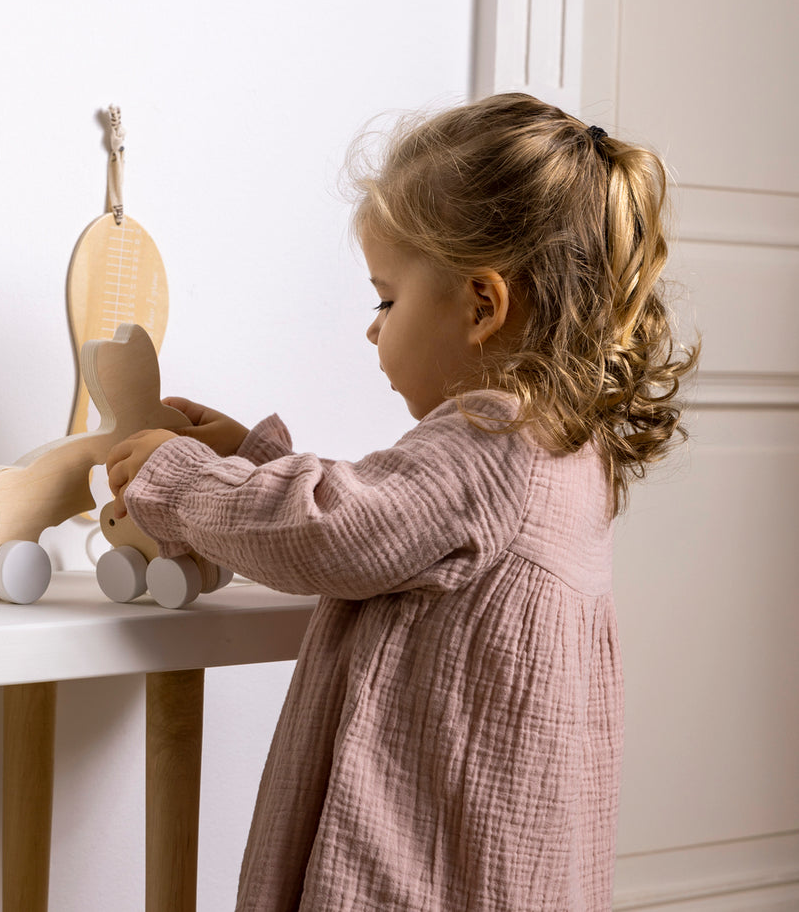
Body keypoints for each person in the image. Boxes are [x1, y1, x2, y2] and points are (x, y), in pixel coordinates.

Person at [105, 92, 698, 911]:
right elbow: (398, 535)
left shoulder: (488, 439)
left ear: (482, 306)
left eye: (385, 299)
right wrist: (251, 456)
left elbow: (334, 532)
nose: (372, 330)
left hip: (416, 870)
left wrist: (179, 479)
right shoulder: (556, 444)